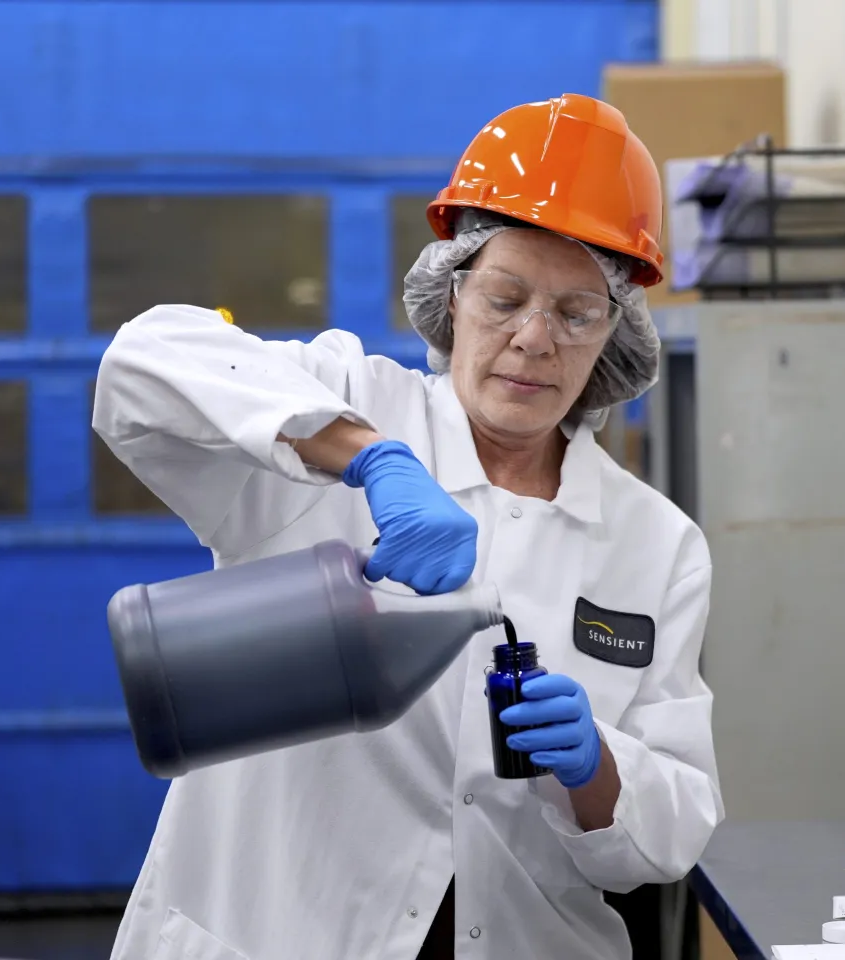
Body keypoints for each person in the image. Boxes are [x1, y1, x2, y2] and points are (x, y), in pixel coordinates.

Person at [93, 93, 722, 960]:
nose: (535, 340)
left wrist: (596, 768)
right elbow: (142, 362)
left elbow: (677, 824)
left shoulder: (656, 543)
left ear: (615, 334)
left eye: (577, 314)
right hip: (277, 932)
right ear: (452, 292)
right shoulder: (349, 401)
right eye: (505, 297)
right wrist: (367, 458)